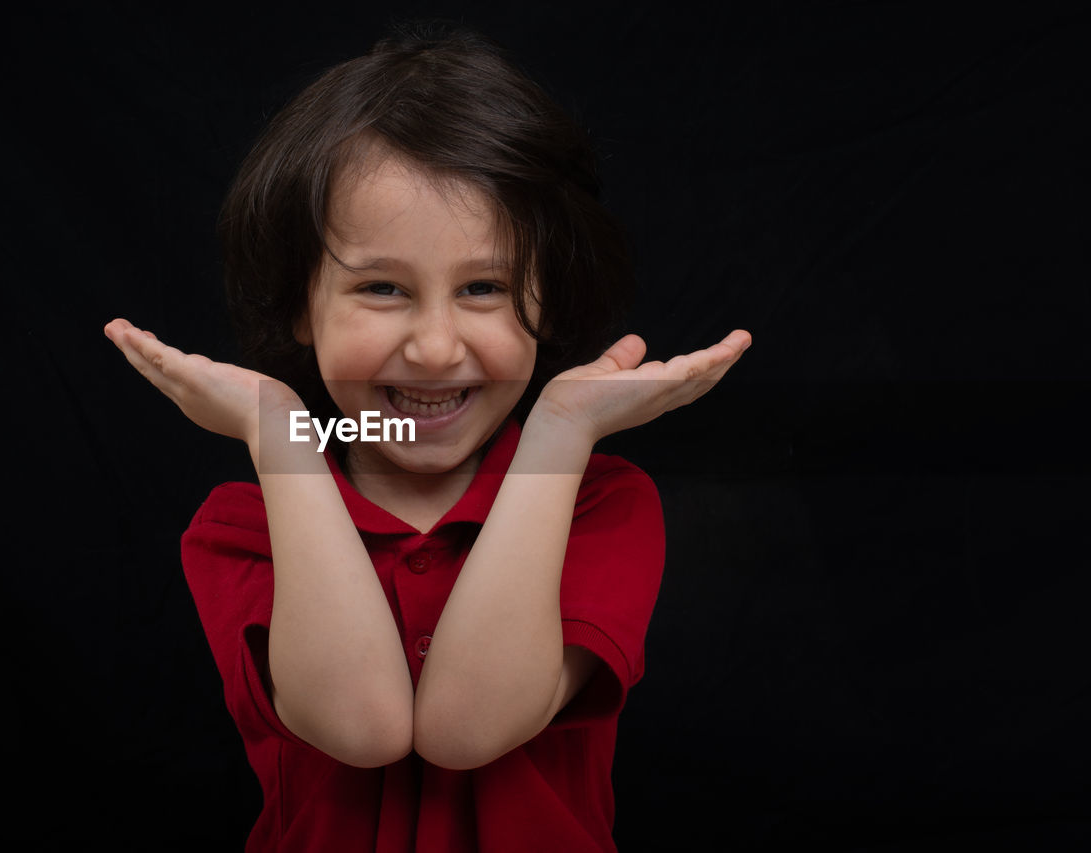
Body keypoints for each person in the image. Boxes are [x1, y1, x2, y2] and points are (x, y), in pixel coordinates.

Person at [105, 22, 750, 853]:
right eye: (382, 288)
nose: (437, 347)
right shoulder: (244, 525)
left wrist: (557, 435)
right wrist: (284, 438)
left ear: (545, 301)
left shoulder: (598, 502)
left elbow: (463, 727)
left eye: (484, 286)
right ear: (302, 307)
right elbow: (365, 725)